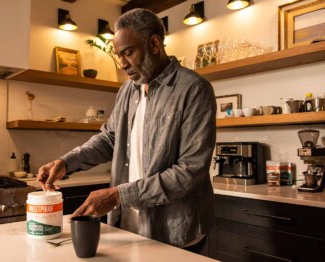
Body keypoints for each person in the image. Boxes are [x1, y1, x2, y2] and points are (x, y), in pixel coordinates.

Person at [37, 8, 216, 253]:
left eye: (128, 53)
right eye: (119, 55)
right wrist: (66, 162)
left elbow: (190, 171)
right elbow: (110, 138)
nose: (122, 64)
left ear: (154, 44)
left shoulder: (193, 89)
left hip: (174, 229)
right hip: (128, 225)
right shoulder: (128, 90)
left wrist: (118, 195)